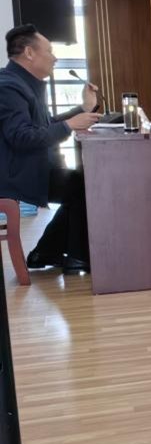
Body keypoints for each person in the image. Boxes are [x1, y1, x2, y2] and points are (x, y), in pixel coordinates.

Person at [0, 25, 101, 271]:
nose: (54, 58)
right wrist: (70, 125)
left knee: (81, 183)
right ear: (29, 53)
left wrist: (82, 109)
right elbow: (21, 137)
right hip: (16, 175)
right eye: (49, 51)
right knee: (83, 185)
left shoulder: (24, 83)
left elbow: (45, 126)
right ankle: (75, 257)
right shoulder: (8, 87)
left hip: (32, 168)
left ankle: (46, 252)